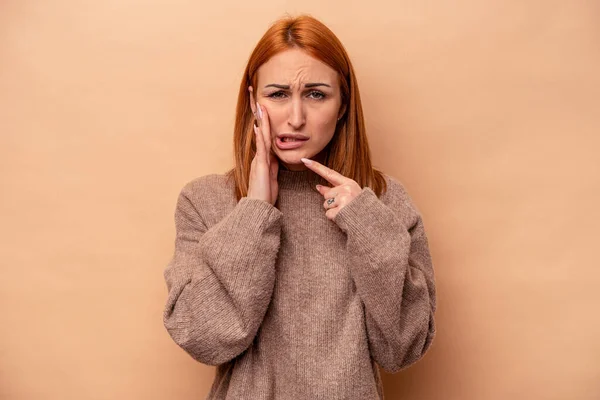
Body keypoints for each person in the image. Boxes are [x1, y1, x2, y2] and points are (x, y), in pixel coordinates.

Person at [162, 14, 437, 400]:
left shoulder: (383, 200)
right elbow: (205, 337)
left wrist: (366, 225)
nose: (295, 118)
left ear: (343, 105)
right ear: (252, 100)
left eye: (316, 94)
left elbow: (402, 349)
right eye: (277, 94)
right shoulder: (205, 201)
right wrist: (254, 211)